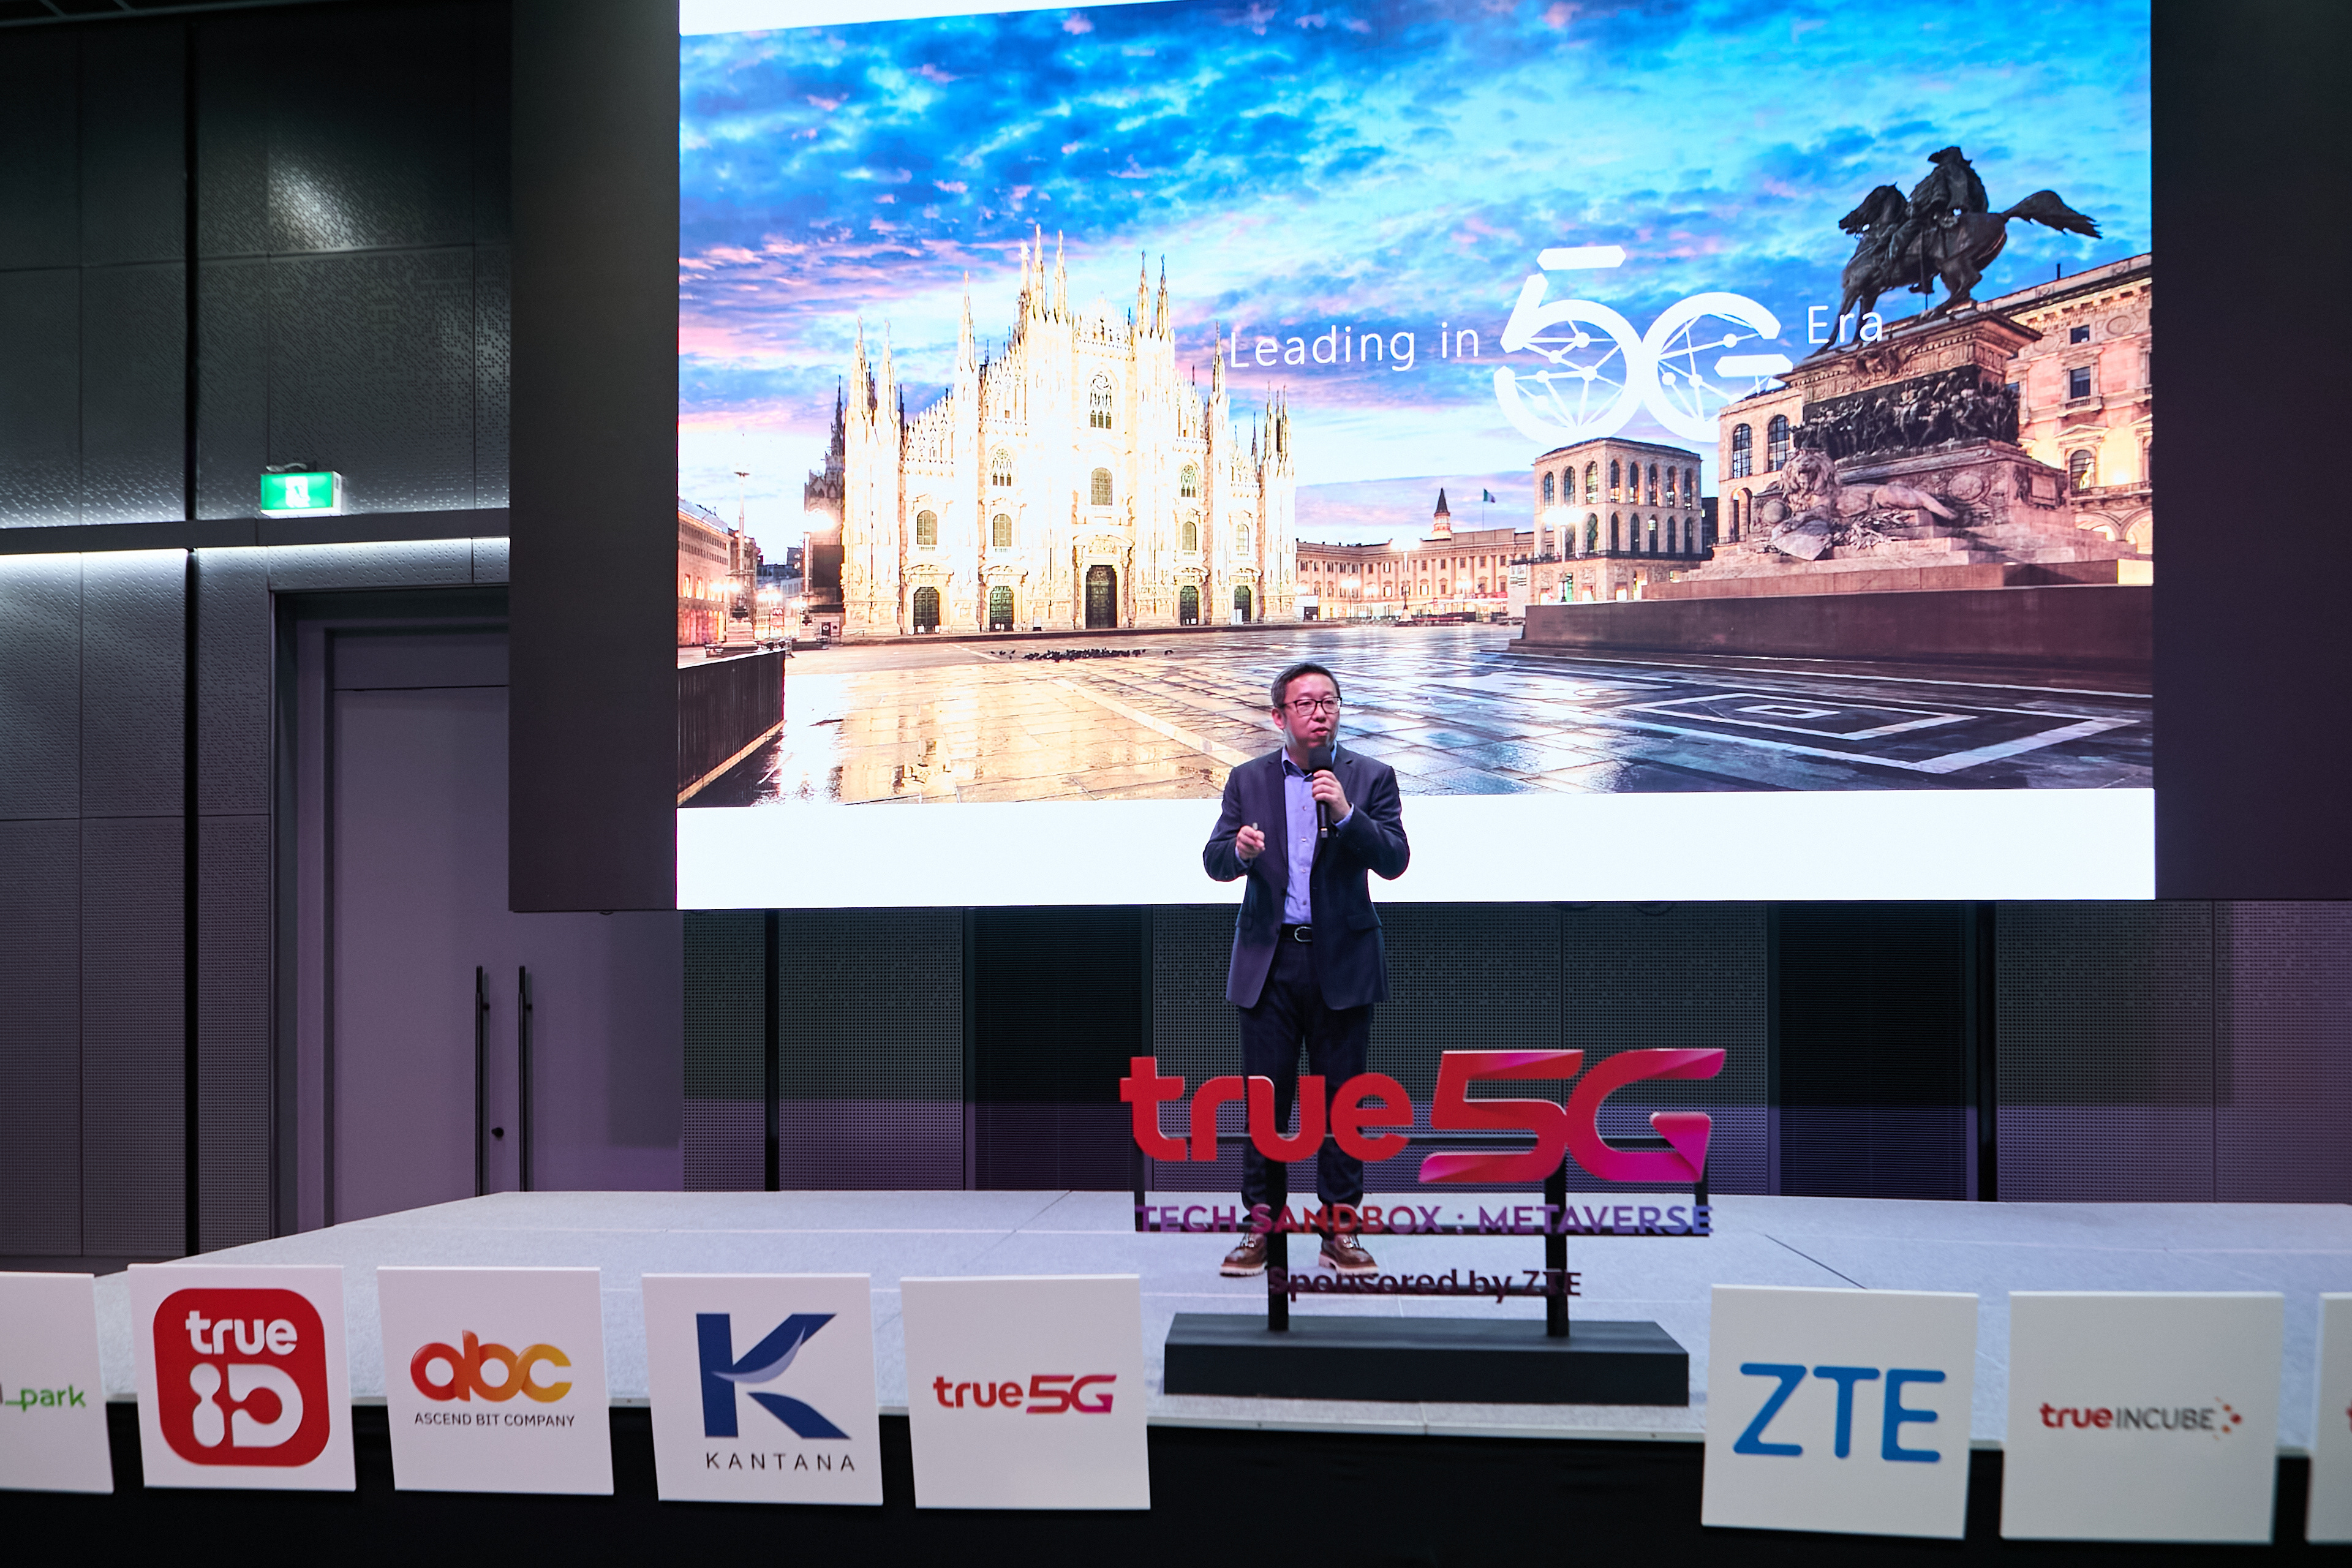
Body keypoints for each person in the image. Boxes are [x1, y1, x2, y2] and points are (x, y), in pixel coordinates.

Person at [1200, 662, 1411, 1276]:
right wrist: (1238, 852)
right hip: (1270, 961)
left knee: (1343, 1104)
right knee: (1265, 1105)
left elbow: (1395, 859)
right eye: (1306, 703)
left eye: (1330, 702)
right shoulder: (1248, 779)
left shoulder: (1370, 777)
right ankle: (1261, 1229)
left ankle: (1339, 1230)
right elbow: (1214, 860)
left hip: (1341, 960)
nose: (1320, 713)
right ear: (1279, 717)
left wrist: (1346, 814)